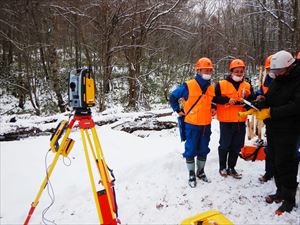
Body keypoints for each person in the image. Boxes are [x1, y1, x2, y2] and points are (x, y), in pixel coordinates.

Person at [253, 50, 300, 214]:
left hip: (289, 129)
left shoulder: (297, 80)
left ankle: (289, 200)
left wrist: (272, 112)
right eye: (274, 71)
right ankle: (280, 192)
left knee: (286, 163)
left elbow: (296, 106)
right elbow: (271, 97)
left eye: (278, 71)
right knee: (275, 160)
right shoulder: (279, 78)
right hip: (273, 127)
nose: (275, 74)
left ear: (290, 66)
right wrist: (262, 102)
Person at [169, 57, 216, 188]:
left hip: (206, 125)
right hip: (191, 125)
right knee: (190, 150)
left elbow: (212, 101)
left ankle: (200, 172)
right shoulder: (188, 85)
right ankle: (191, 173)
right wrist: (177, 110)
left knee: (203, 149)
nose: (208, 72)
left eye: (210, 70)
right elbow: (173, 96)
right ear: (198, 70)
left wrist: (213, 107)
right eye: (205, 70)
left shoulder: (211, 87)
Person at [214, 58, 255, 179]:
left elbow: (251, 99)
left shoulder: (247, 85)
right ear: (231, 71)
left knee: (237, 145)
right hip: (226, 121)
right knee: (224, 145)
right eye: (236, 71)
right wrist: (227, 100)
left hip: (240, 121)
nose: (239, 73)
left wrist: (248, 102)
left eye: (241, 71)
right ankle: (222, 167)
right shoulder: (221, 84)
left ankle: (232, 167)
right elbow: (214, 98)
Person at [255, 55, 275, 183]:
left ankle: (281, 176)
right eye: (269, 70)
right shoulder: (267, 81)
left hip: (286, 121)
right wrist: (259, 97)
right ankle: (269, 173)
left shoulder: (289, 81)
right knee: (271, 148)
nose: (271, 72)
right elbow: (260, 92)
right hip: (270, 121)